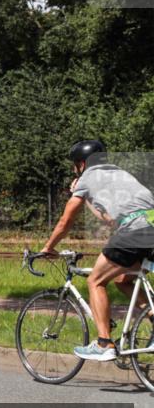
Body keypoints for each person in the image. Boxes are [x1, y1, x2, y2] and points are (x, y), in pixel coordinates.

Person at [41, 140, 154, 361]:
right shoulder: (119, 173)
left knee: (95, 281)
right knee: (123, 279)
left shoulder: (86, 178)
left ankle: (104, 343)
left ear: (82, 164)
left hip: (135, 231)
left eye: (75, 165)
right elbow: (110, 219)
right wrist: (87, 199)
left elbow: (66, 221)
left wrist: (48, 247)